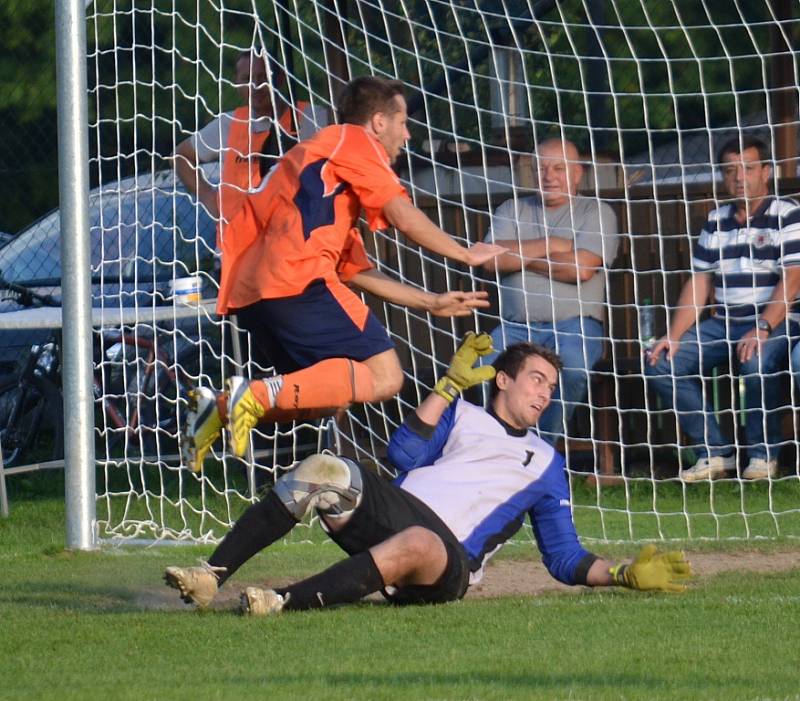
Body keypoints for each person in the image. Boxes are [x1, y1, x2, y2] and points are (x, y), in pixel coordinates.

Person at [164, 334, 691, 615]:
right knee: (325, 466)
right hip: (397, 511)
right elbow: (404, 455)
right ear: (502, 380)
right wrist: (446, 387)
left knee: (417, 540)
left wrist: (620, 575)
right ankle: (212, 575)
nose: (544, 393)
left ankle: (280, 601)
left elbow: (563, 556)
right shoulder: (462, 414)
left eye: (550, 386)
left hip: (449, 560)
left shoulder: (547, 462)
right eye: (535, 380)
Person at [180, 76, 506, 472]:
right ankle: (250, 396)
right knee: (385, 376)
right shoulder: (353, 141)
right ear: (378, 122)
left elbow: (358, 271)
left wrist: (431, 301)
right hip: (297, 282)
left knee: (330, 395)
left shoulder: (327, 181)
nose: (408, 133)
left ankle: (217, 409)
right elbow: (401, 213)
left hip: (256, 295)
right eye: (403, 122)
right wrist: (464, 253)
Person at [646, 135, 800, 482]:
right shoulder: (716, 220)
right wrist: (672, 335)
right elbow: (699, 283)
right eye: (730, 170)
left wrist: (762, 327)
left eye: (748, 168)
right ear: (722, 176)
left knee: (756, 360)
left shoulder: (787, 214)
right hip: (722, 324)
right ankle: (716, 453)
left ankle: (763, 455)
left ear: (766, 172)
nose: (739, 177)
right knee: (660, 362)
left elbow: (792, 279)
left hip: (776, 321)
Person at [481, 138, 619, 444]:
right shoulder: (511, 209)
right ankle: (497, 448)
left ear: (578, 172)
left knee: (570, 368)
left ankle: (538, 449)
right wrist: (552, 246)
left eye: (559, 168)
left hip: (575, 326)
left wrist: (518, 258)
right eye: (541, 168)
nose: (548, 176)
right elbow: (491, 259)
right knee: (485, 367)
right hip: (516, 327)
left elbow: (581, 270)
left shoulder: (594, 212)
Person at [173, 49, 322, 226]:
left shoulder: (313, 119)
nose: (256, 85)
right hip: (235, 247)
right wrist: (208, 197)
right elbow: (180, 156)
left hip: (290, 242)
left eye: (263, 77)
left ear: (280, 78)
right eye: (247, 79)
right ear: (236, 83)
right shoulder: (228, 124)